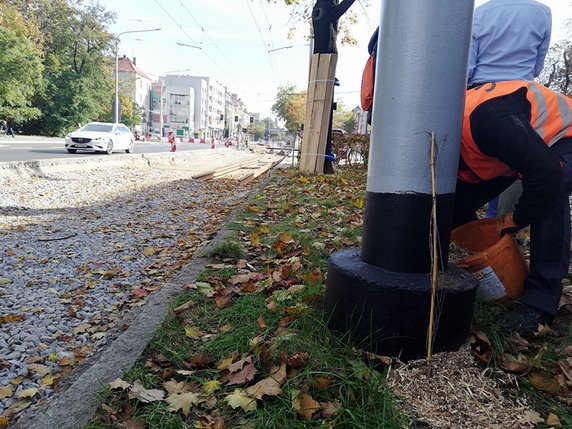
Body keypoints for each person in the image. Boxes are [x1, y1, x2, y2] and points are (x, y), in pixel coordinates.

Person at [453, 81, 572, 338]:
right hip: (518, 144)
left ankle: (540, 302)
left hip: (563, 136)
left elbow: (545, 174)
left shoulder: (488, 120)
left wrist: (518, 218)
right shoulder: (451, 133)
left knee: (553, 184)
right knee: (455, 205)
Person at [468, 0, 552, 218]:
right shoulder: (542, 13)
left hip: (482, 97)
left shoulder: (479, 14)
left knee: (485, 163)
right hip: (522, 96)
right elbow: (537, 66)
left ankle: (483, 230)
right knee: (517, 165)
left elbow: (468, 66)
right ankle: (503, 227)